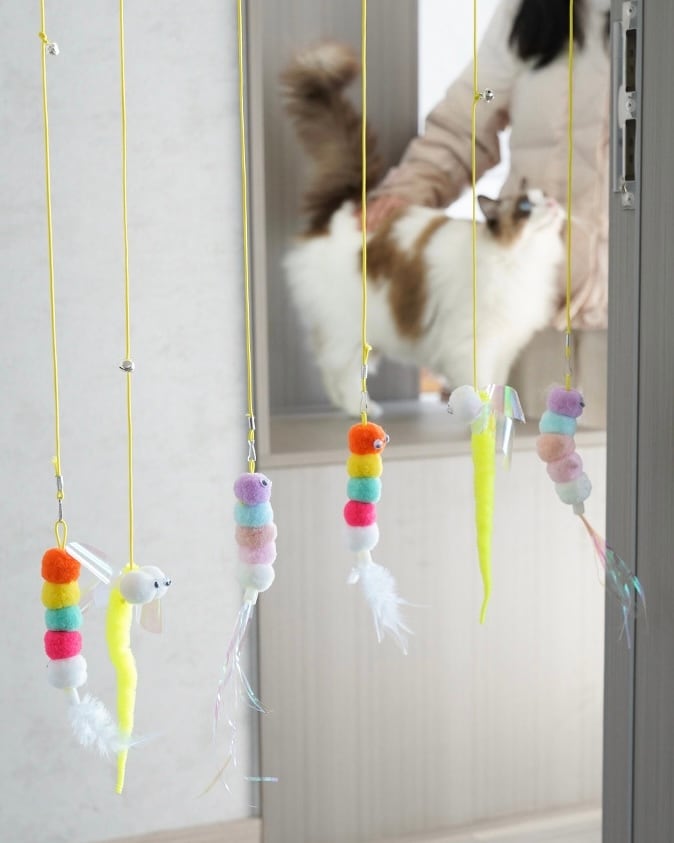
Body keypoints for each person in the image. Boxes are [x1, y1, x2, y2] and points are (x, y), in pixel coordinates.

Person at [366, 0, 611, 332]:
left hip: (633, 313)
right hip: (521, 309)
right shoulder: (526, 12)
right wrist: (407, 193)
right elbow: (474, 110)